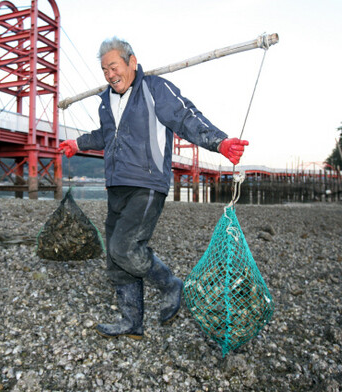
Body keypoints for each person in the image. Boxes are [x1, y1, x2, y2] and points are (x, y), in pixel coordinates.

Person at [58, 37, 248, 340]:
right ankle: (132, 321)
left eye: (114, 66)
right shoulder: (106, 101)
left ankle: (170, 284)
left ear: (132, 62)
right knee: (115, 256)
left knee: (125, 247)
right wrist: (77, 143)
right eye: (104, 70)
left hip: (147, 185)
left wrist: (219, 142)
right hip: (116, 184)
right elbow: (106, 135)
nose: (109, 74)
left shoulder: (155, 88)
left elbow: (186, 118)